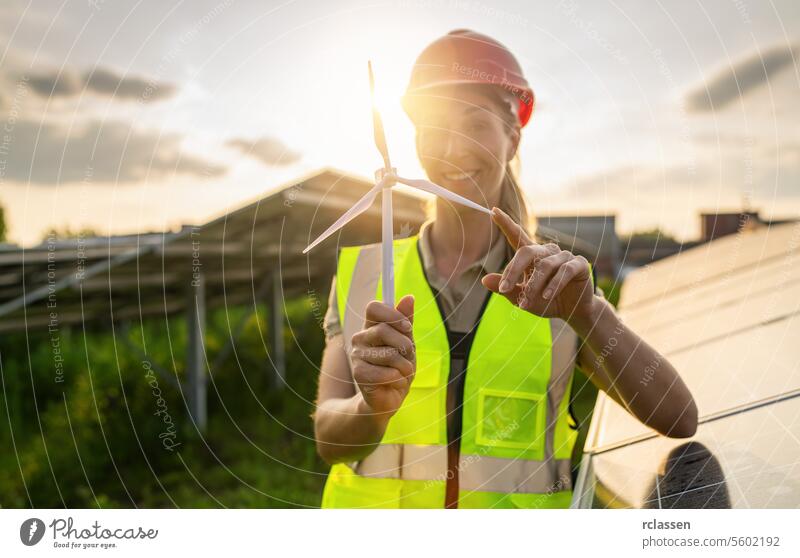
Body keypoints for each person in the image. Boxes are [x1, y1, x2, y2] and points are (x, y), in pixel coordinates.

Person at [313, 29, 697, 509]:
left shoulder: (557, 281)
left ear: (513, 137)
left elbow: (678, 418)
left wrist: (589, 315)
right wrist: (370, 407)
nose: (453, 151)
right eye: (436, 128)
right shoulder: (363, 272)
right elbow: (329, 439)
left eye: (475, 126)